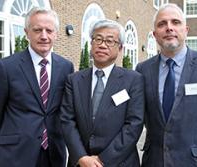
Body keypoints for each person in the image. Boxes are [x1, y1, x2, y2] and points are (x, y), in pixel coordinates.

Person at [136, 3, 197, 167]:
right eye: (162, 24)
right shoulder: (143, 70)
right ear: (154, 34)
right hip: (154, 161)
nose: (169, 28)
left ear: (186, 30)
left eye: (175, 22)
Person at [0, 7, 74, 167]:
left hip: (54, 153)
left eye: (49, 30)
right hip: (16, 153)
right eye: (37, 30)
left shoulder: (66, 67)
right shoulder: (6, 67)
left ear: (55, 33)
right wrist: (12, 136)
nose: (44, 36)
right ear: (27, 32)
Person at [60, 19, 144, 167]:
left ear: (120, 48)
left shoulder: (133, 80)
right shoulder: (74, 80)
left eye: (110, 41)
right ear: (91, 43)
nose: (102, 45)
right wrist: (81, 157)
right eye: (98, 39)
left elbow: (134, 125)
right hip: (81, 162)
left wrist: (102, 160)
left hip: (119, 162)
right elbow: (67, 120)